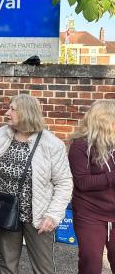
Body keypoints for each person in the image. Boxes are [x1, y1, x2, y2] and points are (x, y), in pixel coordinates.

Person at [0, 94, 72, 274]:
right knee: (7, 264)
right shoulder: (4, 133)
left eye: (12, 109)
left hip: (38, 214)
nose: (7, 113)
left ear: (27, 113)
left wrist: (52, 215)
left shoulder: (52, 144)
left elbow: (64, 183)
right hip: (6, 208)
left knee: (43, 267)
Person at [68, 100, 115, 273]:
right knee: (91, 263)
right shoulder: (80, 146)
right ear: (104, 120)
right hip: (90, 214)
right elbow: (82, 182)